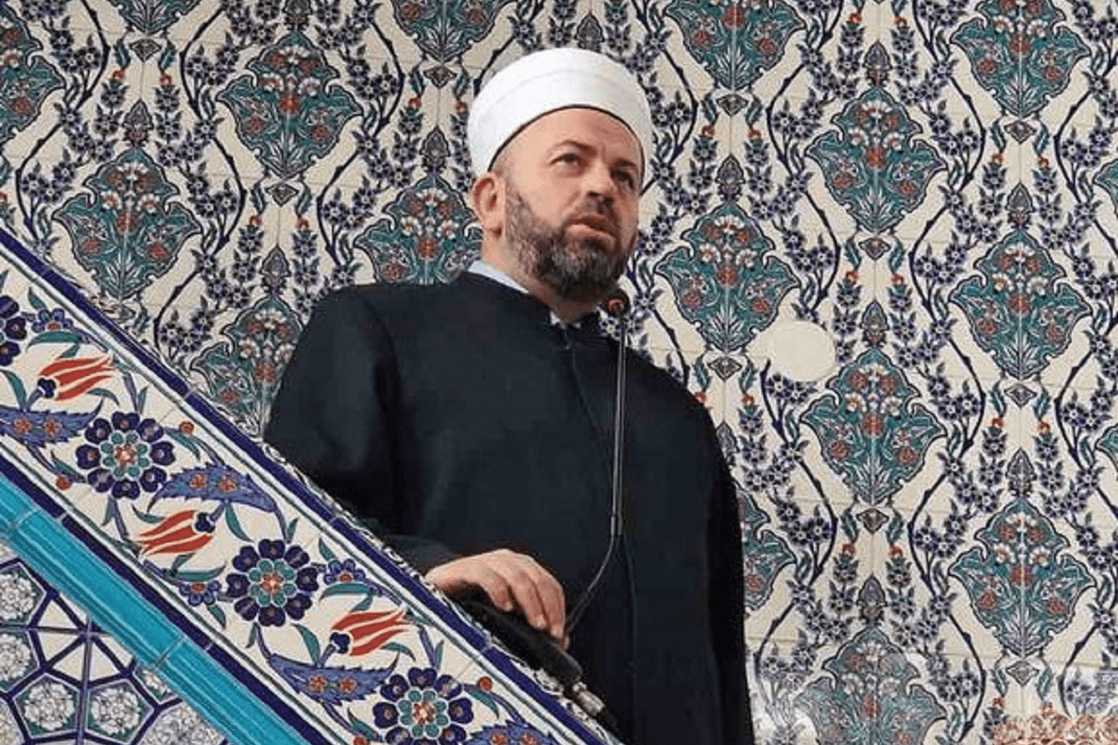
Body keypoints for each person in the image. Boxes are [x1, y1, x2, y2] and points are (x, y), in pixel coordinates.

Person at [265, 48, 753, 745]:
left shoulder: (678, 419)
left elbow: (721, 667)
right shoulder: (377, 331)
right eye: (571, 161)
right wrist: (431, 571)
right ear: (491, 199)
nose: (603, 187)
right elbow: (287, 542)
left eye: (625, 176)